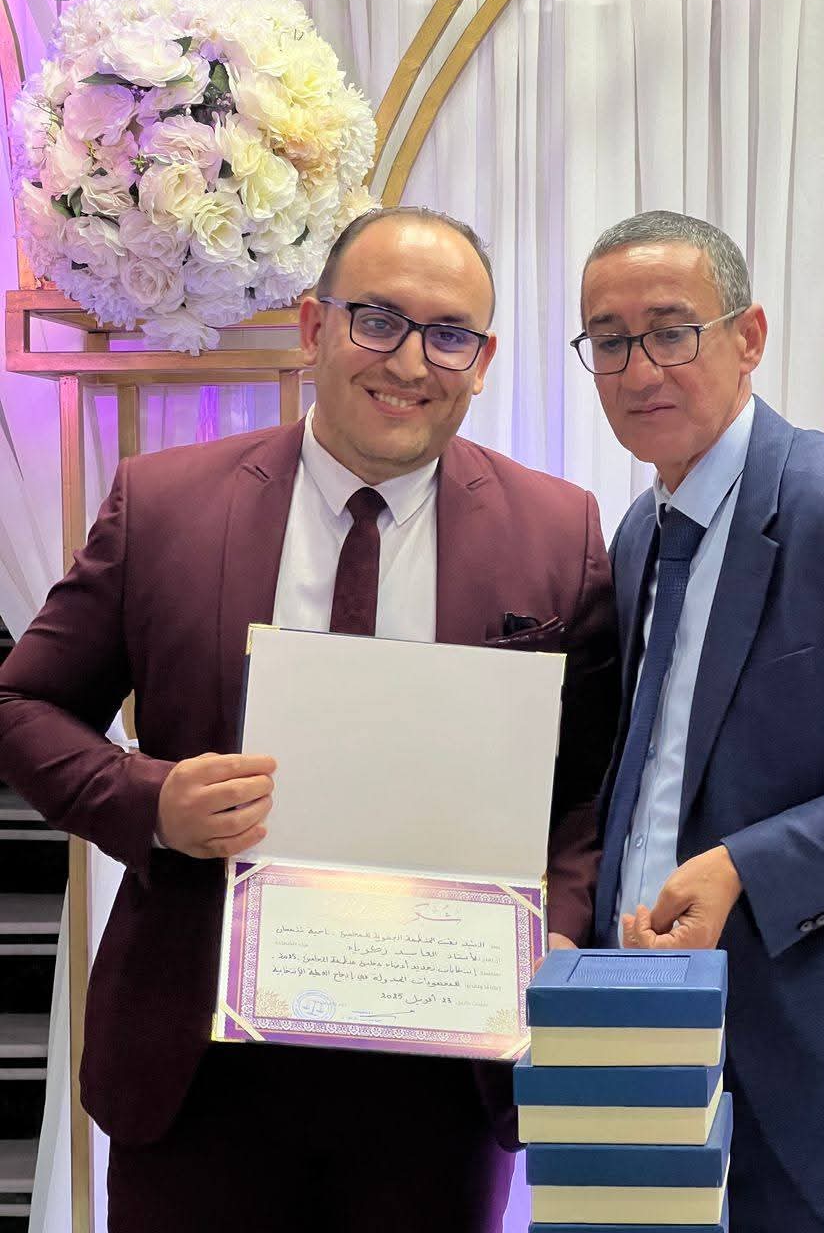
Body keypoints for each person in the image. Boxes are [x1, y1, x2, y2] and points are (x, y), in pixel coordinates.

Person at [0, 205, 618, 1233]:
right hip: (198, 1061)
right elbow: (23, 703)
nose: (410, 362)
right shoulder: (165, 504)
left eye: (449, 334)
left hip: (439, 1072)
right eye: (377, 319)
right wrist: (151, 800)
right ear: (312, 326)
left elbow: (585, 785)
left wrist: (557, 924)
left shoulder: (560, 531)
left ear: (483, 361)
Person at [577, 210, 824, 1233]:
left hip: (819, 1057)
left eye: (671, 330)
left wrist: (749, 865)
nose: (639, 368)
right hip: (645, 1029)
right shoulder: (638, 531)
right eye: (609, 341)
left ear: (748, 337)